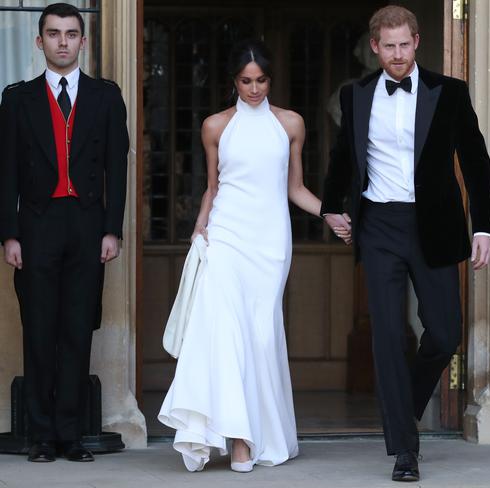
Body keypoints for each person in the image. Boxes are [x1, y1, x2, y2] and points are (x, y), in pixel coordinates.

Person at [157, 39, 350, 473]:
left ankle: (261, 432)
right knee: (225, 331)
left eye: (261, 80)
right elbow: (213, 186)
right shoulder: (215, 127)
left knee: (261, 336)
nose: (254, 88)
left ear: (270, 80)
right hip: (226, 235)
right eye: (246, 81)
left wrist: (330, 214)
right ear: (234, 81)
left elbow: (294, 188)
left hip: (270, 242)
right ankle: (239, 439)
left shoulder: (291, 124)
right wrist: (200, 226)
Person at [320, 5, 490, 483]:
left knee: (444, 333)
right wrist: (331, 206)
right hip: (379, 224)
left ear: (417, 41)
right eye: (388, 46)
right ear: (374, 47)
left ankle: (406, 404)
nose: (397, 55)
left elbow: (476, 162)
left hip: (434, 225)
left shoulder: (450, 92)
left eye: (404, 44)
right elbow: (342, 157)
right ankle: (405, 448)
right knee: (389, 338)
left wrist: (484, 227)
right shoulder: (355, 95)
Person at [0, 3, 128, 463]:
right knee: (38, 330)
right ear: (40, 42)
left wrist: (112, 230)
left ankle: (70, 436)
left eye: (71, 34)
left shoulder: (106, 97)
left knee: (77, 330)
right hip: (36, 226)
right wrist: (8, 234)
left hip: (87, 225)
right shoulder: (17, 99)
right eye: (53, 34)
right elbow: (6, 172)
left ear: (83, 41)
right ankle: (40, 436)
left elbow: (118, 166)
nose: (62, 41)